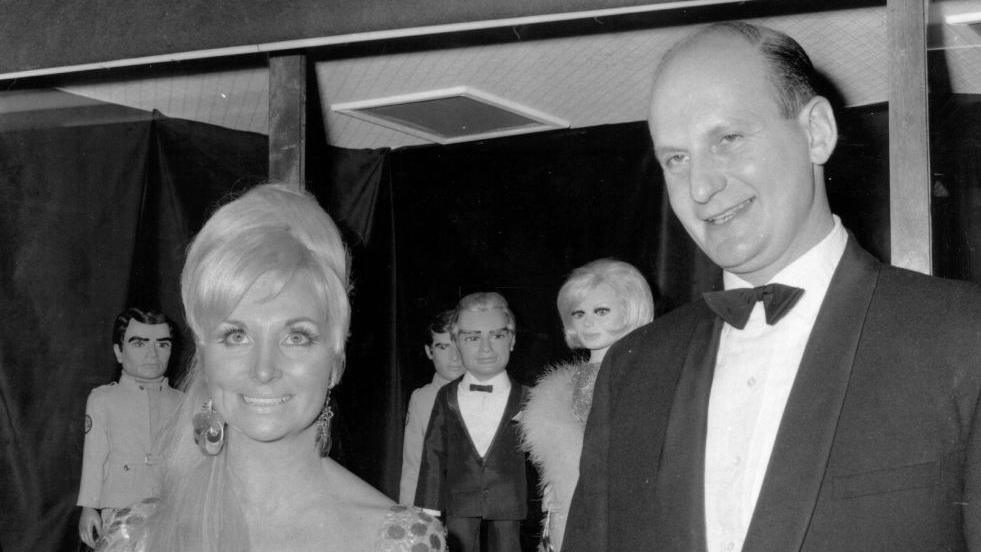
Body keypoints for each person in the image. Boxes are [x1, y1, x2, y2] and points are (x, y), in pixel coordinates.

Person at [565, 21, 981, 552]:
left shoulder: (962, 336)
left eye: (728, 139)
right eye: (676, 159)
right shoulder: (630, 370)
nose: (700, 187)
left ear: (817, 132)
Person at [96, 183, 445, 552]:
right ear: (205, 356)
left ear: (336, 362)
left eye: (296, 337)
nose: (264, 370)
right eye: (236, 336)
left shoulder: (399, 541)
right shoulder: (136, 534)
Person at [518, 259, 653, 552]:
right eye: (578, 313)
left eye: (601, 311)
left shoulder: (645, 376)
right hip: (567, 507)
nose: (588, 322)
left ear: (631, 309)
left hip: (620, 508)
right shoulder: (565, 385)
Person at [415, 292, 528, 552]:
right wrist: (428, 511)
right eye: (473, 337)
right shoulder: (446, 397)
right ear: (456, 342)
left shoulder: (528, 397)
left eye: (497, 335)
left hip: (508, 501)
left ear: (512, 340)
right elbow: (433, 456)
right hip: (459, 500)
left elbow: (546, 455)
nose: (485, 348)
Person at [77, 307, 182, 549]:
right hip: (119, 508)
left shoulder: (182, 401)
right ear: (119, 352)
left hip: (170, 506)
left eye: (162, 344)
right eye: (140, 344)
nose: (152, 354)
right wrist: (89, 507)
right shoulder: (103, 399)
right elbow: (94, 457)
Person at [399, 310, 465, 504]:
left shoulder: (490, 391)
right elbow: (413, 467)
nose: (454, 357)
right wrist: (408, 518)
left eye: (459, 345)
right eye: (443, 347)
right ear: (429, 351)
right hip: (438, 506)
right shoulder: (422, 399)